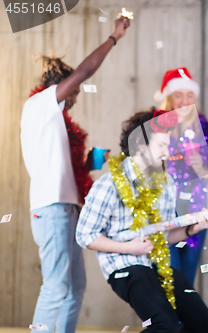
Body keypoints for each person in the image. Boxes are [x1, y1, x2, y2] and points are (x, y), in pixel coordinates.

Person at [20, 15, 131, 333]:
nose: (74, 99)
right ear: (59, 87)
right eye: (73, 92)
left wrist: (93, 160)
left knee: (76, 287)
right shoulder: (40, 105)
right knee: (55, 286)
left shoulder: (53, 122)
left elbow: (67, 164)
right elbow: (84, 70)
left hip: (68, 209)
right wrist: (114, 38)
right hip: (51, 209)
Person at [76, 108, 208, 333]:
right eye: (161, 145)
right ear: (141, 144)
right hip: (124, 267)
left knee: (203, 322)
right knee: (165, 325)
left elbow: (164, 235)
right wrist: (128, 248)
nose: (167, 151)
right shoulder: (109, 184)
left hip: (155, 265)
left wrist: (192, 229)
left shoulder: (166, 182)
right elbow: (84, 236)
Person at [154, 67, 208, 285]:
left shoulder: (205, 128)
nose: (184, 101)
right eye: (178, 95)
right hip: (165, 209)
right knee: (169, 276)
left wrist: (199, 167)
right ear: (169, 98)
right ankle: (170, 320)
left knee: (187, 278)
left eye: (189, 95)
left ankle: (183, 320)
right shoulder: (157, 127)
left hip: (196, 209)